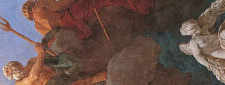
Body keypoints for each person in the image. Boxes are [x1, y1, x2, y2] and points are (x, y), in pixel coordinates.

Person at [21, 0, 152, 39]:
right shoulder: (40, 4)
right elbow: (59, 6)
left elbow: (56, 36)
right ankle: (142, 5)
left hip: (72, 28)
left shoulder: (38, 27)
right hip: (74, 14)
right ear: (30, 4)